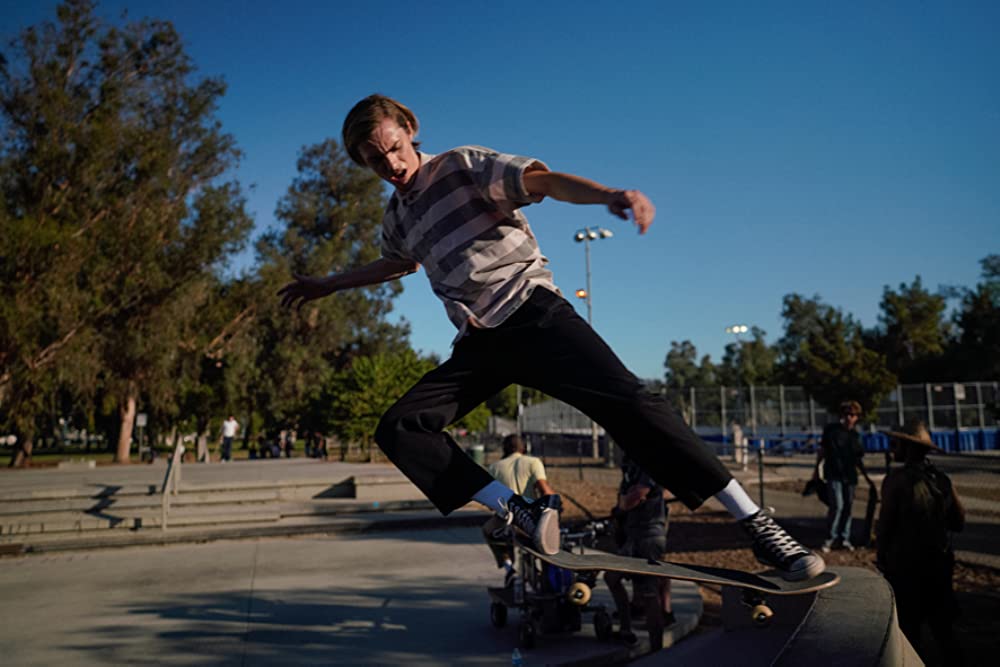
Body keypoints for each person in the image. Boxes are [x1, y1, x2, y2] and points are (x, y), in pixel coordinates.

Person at [278, 94, 823, 580]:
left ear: (409, 130)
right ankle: (517, 510)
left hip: (534, 315)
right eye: (376, 161)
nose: (392, 166)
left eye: (395, 149)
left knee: (635, 405)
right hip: (480, 341)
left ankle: (757, 524)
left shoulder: (462, 165)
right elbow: (397, 263)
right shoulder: (397, 216)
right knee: (400, 427)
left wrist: (608, 195)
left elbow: (542, 182)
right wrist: (329, 284)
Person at [877, 420, 965, 664]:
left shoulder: (896, 480)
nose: (892, 448)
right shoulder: (942, 480)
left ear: (908, 448)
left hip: (905, 565)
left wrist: (882, 555)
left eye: (896, 444)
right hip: (939, 563)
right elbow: (958, 521)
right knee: (943, 630)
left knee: (908, 632)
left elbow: (885, 525)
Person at [605, 457, 674, 650]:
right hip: (632, 536)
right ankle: (626, 629)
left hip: (649, 536)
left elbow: (635, 497)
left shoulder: (649, 464)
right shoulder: (630, 466)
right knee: (612, 577)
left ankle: (656, 648)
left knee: (650, 593)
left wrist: (623, 504)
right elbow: (625, 498)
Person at [481, 434, 556, 584]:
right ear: (524, 448)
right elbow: (545, 491)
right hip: (530, 518)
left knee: (488, 531)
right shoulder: (533, 462)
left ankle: (509, 567)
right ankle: (547, 575)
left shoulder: (494, 467)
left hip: (506, 520)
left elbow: (489, 503)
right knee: (545, 539)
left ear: (504, 448)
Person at [813, 400, 875, 552]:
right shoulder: (831, 431)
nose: (849, 417)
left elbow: (858, 459)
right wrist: (816, 470)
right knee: (837, 506)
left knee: (848, 507)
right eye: (846, 414)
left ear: (856, 417)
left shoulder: (855, 436)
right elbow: (823, 451)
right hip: (834, 474)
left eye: (852, 415)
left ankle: (844, 538)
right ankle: (830, 538)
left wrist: (866, 477)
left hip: (850, 476)